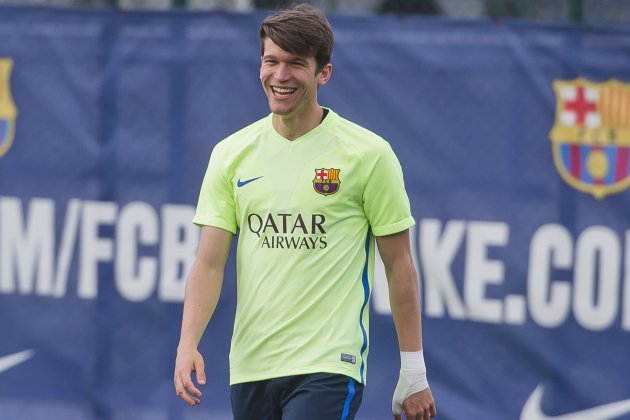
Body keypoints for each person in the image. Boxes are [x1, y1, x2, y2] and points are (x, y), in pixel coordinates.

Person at [173, 3, 437, 419]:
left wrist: (414, 371)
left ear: (323, 73)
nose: (280, 76)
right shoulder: (230, 155)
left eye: (295, 64)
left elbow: (400, 266)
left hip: (330, 364)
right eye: (271, 61)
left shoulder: (369, 155)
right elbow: (208, 264)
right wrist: (188, 342)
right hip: (250, 366)